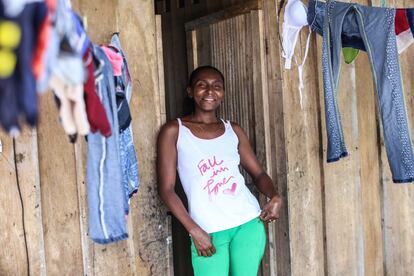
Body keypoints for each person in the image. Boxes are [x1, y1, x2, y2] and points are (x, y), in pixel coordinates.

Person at [157, 65, 282, 276]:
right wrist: (194, 230)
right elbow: (166, 189)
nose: (209, 92)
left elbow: (258, 174)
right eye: (202, 85)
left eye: (217, 86)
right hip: (208, 231)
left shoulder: (233, 130)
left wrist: (274, 195)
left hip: (248, 225)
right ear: (190, 91)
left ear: (222, 93)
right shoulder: (174, 131)